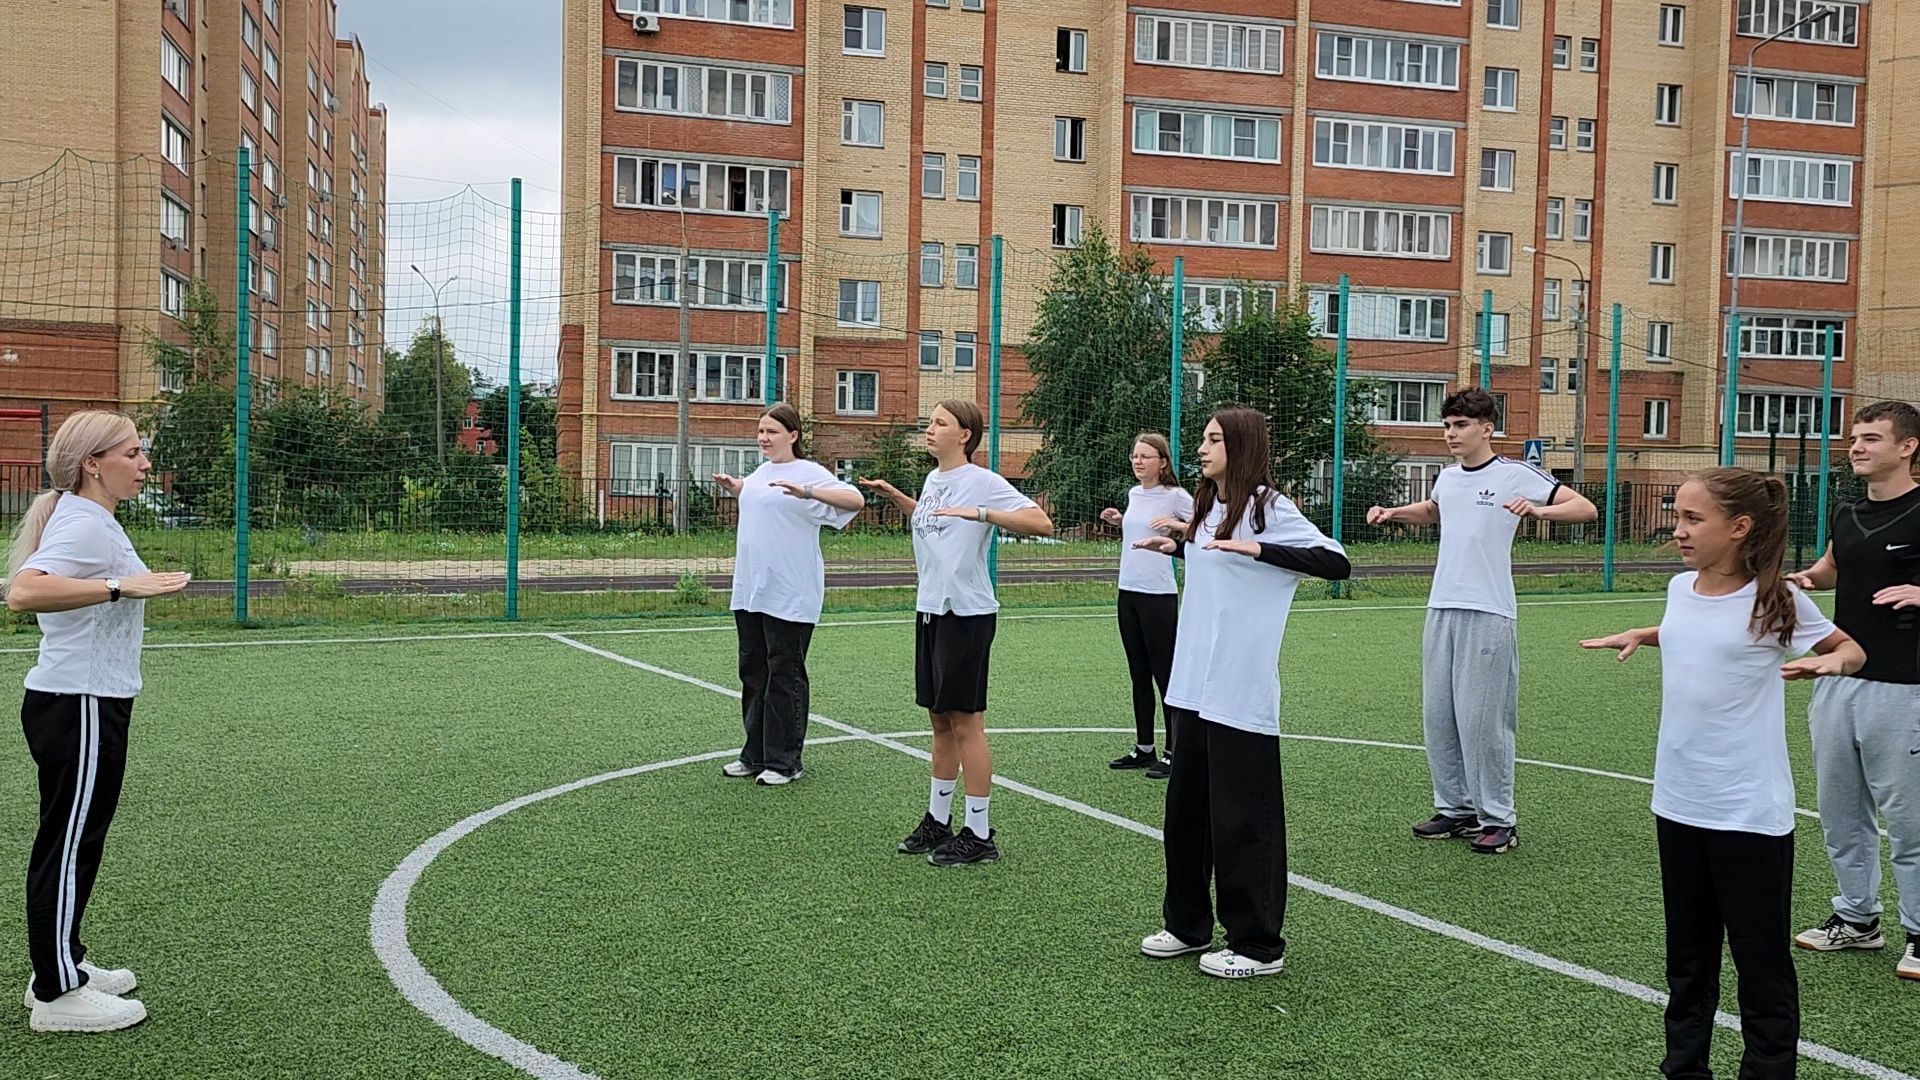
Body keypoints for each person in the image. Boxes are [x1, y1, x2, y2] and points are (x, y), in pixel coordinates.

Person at [1582, 467, 1864, 1080]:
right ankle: (1684, 1068)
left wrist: (1829, 668)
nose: (1677, 530)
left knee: (1760, 963)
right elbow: (1702, 635)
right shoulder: (1682, 590)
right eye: (1676, 514)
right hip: (1679, 803)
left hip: (1748, 813)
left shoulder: (1778, 599)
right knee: (1688, 957)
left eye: (1692, 519)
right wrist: (1645, 633)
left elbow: (1850, 648)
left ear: (1739, 528)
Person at [1133, 407, 1351, 979]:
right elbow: (1217, 570)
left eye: (1214, 440)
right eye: (1202, 439)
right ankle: (1186, 925)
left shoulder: (1268, 507)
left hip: (1240, 691)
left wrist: (1262, 550)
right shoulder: (1208, 508)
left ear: (1243, 445)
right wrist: (1178, 548)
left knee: (1243, 820)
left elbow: (1337, 562)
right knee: (1186, 815)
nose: (1201, 449)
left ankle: (1257, 945)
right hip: (1192, 686)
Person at [4, 411, 190, 1033]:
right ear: (92, 463)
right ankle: (57, 995)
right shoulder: (85, 523)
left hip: (88, 701)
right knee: (67, 845)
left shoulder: (87, 518)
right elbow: (23, 592)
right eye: (133, 454)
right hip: (77, 703)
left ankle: (61, 965)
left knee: (78, 840)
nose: (143, 465)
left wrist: (123, 585)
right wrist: (119, 586)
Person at [1367, 387, 1597, 854]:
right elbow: (1435, 510)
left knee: (1483, 720)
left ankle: (1499, 820)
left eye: (1460, 426)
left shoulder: (1515, 474)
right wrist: (1394, 512)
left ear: (1486, 428)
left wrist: (1538, 509)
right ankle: (1456, 809)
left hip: (1490, 611)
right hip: (1441, 608)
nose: (1450, 434)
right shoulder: (1448, 479)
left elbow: (1585, 508)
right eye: (1447, 426)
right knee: (1440, 715)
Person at [859, 400, 1054, 867]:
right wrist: (900, 499)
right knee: (939, 719)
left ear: (964, 434)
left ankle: (980, 833)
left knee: (966, 722)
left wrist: (983, 514)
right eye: (929, 422)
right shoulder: (933, 481)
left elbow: (1041, 522)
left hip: (966, 615)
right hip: (931, 610)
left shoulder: (982, 481)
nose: (929, 429)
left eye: (939, 423)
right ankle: (937, 820)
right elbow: (936, 525)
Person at [1784, 400, 1920, 980]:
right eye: (1854, 438)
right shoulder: (1847, 511)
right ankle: (1858, 919)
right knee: (1841, 811)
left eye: (1870, 438)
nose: (1856, 447)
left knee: (1911, 819)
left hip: (1906, 688)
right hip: (1839, 679)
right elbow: (1834, 567)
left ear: (1908, 447)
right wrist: (1805, 579)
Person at [712, 404, 865, 786]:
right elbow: (765, 505)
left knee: (785, 674)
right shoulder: (761, 472)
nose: (763, 437)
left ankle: (785, 762)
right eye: (760, 430)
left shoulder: (809, 472)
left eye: (772, 431)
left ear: (792, 435)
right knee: (754, 672)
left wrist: (809, 490)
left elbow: (855, 501)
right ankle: (755, 754)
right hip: (751, 591)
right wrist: (738, 488)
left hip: (791, 594)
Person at [1097, 433, 1192, 779]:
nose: (1138, 461)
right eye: (1134, 455)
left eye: (1145, 456)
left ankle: (1174, 751)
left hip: (1159, 597)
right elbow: (1138, 530)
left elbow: (1205, 528)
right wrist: (1120, 521)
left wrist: (1176, 526)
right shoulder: (1134, 494)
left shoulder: (1176, 496)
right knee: (1138, 673)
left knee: (1164, 674)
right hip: (1129, 593)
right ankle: (1144, 749)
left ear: (1163, 462)